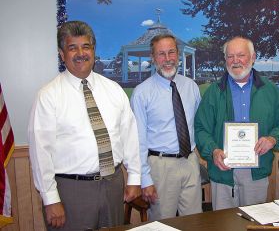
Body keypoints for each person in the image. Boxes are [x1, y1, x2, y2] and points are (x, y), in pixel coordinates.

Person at [28, 21, 141, 230]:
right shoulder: (48, 96)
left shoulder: (114, 90)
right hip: (71, 190)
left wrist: (134, 176)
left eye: (86, 46)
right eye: (72, 48)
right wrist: (51, 199)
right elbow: (40, 152)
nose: (80, 53)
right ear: (62, 54)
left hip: (113, 184)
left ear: (94, 51)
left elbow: (129, 136)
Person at [195, 36, 279, 210]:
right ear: (225, 60)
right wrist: (213, 151)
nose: (235, 61)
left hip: (256, 171)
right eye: (230, 56)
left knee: (253, 222)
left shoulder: (271, 91)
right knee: (224, 225)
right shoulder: (214, 92)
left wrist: (272, 139)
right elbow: (201, 128)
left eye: (241, 55)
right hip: (222, 171)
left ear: (253, 58)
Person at [130, 34, 202, 220]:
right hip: (160, 167)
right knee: (163, 223)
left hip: (190, 161)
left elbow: (199, 125)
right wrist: (145, 179)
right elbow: (138, 140)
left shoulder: (191, 87)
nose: (167, 59)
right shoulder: (142, 93)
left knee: (194, 222)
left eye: (171, 52)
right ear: (153, 58)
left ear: (178, 54)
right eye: (161, 54)